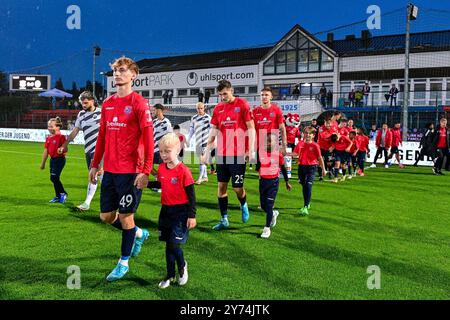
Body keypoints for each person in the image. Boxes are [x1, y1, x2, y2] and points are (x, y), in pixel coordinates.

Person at [89, 56, 154, 282]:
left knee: (126, 217)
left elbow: (149, 137)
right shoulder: (107, 104)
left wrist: (145, 170)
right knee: (106, 217)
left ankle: (123, 263)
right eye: (115, 71)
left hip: (131, 172)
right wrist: (95, 164)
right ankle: (138, 233)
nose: (117, 74)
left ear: (133, 75)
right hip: (110, 170)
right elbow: (102, 136)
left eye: (122, 70)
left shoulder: (139, 103)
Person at [201, 79, 256, 231]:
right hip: (222, 154)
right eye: (220, 95)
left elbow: (251, 128)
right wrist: (206, 151)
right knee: (221, 188)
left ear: (231, 90)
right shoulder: (218, 108)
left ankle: (243, 204)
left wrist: (250, 149)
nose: (223, 97)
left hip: (238, 154)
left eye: (225, 93)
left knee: (237, 188)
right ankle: (224, 219)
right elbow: (213, 130)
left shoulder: (242, 105)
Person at [146, 133, 196, 289]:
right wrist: (147, 184)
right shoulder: (161, 168)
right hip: (166, 211)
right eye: (161, 152)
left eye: (167, 151)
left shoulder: (184, 171)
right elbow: (161, 185)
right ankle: (169, 275)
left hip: (181, 212)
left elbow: (192, 196)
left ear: (178, 149)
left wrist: (192, 216)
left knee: (174, 245)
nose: (163, 155)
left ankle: (182, 266)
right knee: (168, 245)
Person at [58, 91, 102, 211]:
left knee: (97, 174)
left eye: (86, 102)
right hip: (88, 150)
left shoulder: (102, 112)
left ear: (92, 101)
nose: (83, 104)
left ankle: (88, 203)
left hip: (101, 149)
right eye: (82, 102)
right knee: (96, 176)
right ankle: (113, 201)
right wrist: (65, 144)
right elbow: (75, 131)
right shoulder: (81, 114)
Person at [258, 133, 291, 238]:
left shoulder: (278, 155)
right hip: (263, 182)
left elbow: (284, 169)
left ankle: (267, 229)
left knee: (268, 205)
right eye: (266, 141)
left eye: (270, 141)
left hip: (273, 182)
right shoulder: (261, 152)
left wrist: (286, 182)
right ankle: (273, 214)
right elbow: (259, 165)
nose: (268, 143)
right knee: (263, 206)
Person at [252, 86, 287, 172]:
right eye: (262, 95)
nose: (264, 97)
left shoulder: (276, 110)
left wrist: (284, 145)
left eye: (266, 95)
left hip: (272, 146)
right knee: (260, 171)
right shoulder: (255, 111)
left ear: (271, 97)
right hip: (259, 146)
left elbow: (282, 129)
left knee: (272, 170)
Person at [292, 126, 326, 216]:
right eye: (306, 133)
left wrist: (323, 169)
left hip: (312, 167)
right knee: (304, 186)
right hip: (301, 167)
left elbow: (320, 158)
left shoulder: (315, 145)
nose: (307, 135)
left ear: (313, 135)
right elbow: (295, 154)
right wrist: (286, 153)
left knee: (308, 185)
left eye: (309, 134)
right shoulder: (300, 144)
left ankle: (305, 206)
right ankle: (307, 202)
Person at [40, 117, 68, 203]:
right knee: (53, 178)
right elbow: (46, 151)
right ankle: (58, 196)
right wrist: (43, 163)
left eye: (51, 126)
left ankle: (63, 193)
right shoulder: (48, 138)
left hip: (60, 160)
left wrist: (62, 149)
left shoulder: (61, 137)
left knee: (54, 177)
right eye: (48, 126)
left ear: (58, 127)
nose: (49, 128)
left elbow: (66, 149)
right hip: (52, 160)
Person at [188, 102, 212, 184]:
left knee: (201, 160)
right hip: (197, 141)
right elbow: (191, 130)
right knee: (201, 159)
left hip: (205, 141)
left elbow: (212, 130)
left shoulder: (208, 118)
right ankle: (205, 177)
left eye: (201, 108)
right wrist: (189, 139)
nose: (199, 110)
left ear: (204, 108)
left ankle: (199, 179)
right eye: (198, 108)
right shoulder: (194, 118)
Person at [152, 104, 173, 177]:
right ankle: (157, 177)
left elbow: (170, 136)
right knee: (147, 165)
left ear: (159, 110)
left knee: (163, 170)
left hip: (162, 151)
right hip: (154, 150)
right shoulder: (154, 122)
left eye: (154, 110)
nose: (153, 112)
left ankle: (162, 182)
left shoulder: (166, 122)